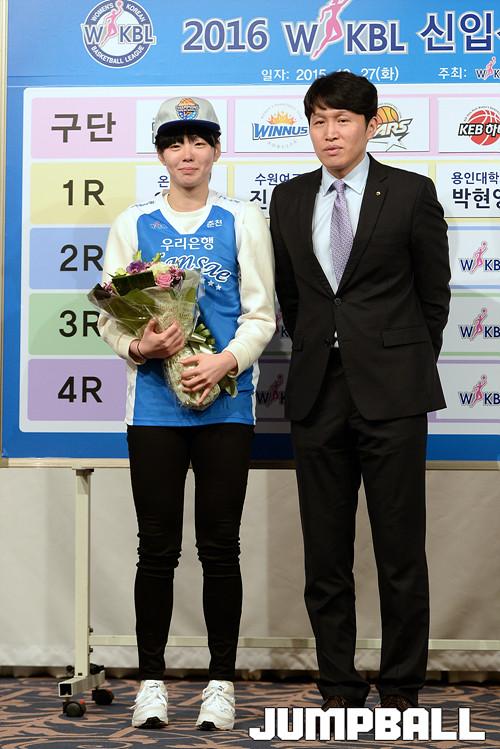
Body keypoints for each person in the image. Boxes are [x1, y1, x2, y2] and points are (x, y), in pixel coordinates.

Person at [269, 71, 450, 711]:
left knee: (400, 551)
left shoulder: (411, 192)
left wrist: (396, 360)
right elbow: (293, 297)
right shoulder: (288, 198)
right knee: (325, 553)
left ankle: (401, 687)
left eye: (342, 120)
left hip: (393, 395)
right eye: (318, 120)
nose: (330, 133)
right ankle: (339, 686)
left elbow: (434, 296)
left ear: (371, 126)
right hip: (317, 393)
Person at [98, 96, 275, 730]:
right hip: (153, 409)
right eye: (175, 143)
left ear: (217, 150)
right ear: (161, 154)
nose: (188, 153)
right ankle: (152, 683)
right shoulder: (134, 223)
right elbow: (111, 314)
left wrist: (225, 361)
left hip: (226, 408)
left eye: (200, 141)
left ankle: (220, 684)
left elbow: (261, 314)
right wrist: (139, 347)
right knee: (157, 549)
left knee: (220, 548)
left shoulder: (242, 219)